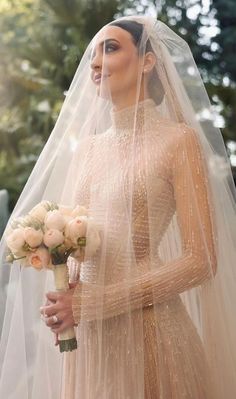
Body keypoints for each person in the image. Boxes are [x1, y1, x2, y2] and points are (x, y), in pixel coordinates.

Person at [0, 15, 236, 399]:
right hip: (90, 342)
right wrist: (65, 296)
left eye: (110, 48)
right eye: (93, 54)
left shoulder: (179, 142)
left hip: (151, 334)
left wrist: (98, 302)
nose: (94, 63)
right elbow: (80, 243)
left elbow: (202, 259)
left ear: (147, 61)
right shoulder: (88, 149)